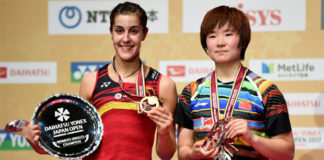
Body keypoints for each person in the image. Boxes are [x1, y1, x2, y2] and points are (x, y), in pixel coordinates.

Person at [24, 2, 177, 160]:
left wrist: (164, 131)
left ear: (144, 33)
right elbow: (77, 143)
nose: (126, 38)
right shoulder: (91, 82)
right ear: (111, 32)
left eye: (133, 31)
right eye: (119, 30)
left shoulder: (163, 85)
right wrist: (40, 143)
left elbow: (166, 155)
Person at [175, 5, 295, 160]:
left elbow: (287, 153)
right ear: (205, 43)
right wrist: (192, 154)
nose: (220, 42)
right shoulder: (191, 92)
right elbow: (183, 151)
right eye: (212, 36)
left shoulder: (266, 90)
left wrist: (252, 138)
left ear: (243, 40)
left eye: (228, 34)